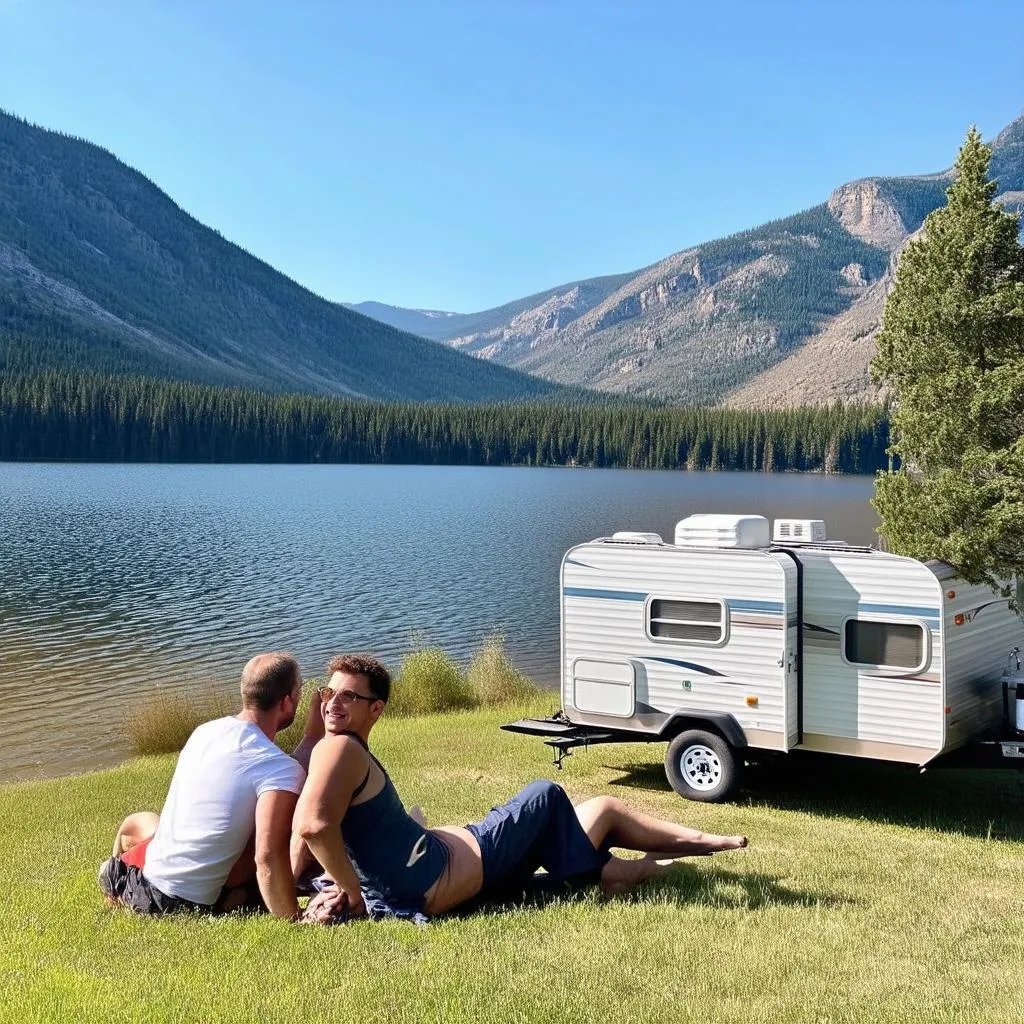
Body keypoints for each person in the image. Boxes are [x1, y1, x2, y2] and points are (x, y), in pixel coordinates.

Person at [293, 653, 748, 924]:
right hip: (456, 869)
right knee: (546, 794)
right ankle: (638, 865)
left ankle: (659, 860)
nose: (332, 703)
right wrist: (351, 892)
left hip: (448, 861)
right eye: (327, 694)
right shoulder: (339, 751)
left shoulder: (331, 752)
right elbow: (313, 826)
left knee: (601, 809)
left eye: (345, 696)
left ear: (376, 710)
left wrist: (333, 880)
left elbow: (313, 829)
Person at [99, 651, 325, 919]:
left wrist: (312, 736)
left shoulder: (204, 732)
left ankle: (116, 881)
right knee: (271, 826)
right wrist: (292, 917)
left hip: (148, 885)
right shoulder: (277, 768)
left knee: (140, 821)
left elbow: (269, 768)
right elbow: (267, 857)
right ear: (287, 702)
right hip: (182, 905)